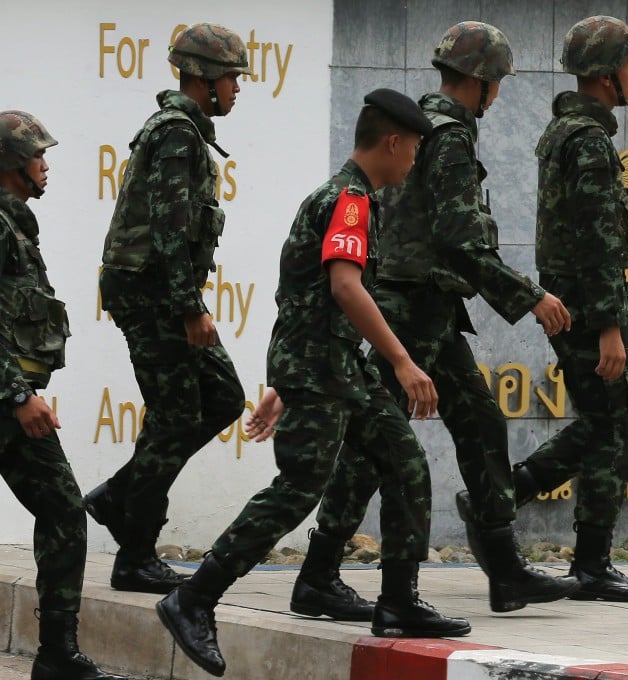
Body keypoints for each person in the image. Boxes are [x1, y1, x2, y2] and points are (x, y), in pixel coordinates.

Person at [155, 88, 469, 678]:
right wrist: (402, 360)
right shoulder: (349, 200)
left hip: (329, 366)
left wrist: (281, 380)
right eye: (414, 150)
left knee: (404, 462)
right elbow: (344, 288)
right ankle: (193, 599)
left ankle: (398, 602)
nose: (414, 163)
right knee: (299, 488)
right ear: (394, 142)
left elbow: (298, 294)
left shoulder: (342, 197)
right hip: (324, 368)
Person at [289, 21, 579, 617]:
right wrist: (530, 298)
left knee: (479, 422)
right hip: (414, 306)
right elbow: (458, 240)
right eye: (496, 80)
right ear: (482, 82)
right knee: (383, 446)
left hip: (431, 308)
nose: (497, 91)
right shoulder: (447, 136)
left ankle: (503, 569)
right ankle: (325, 574)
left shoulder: (431, 126)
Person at [475, 15, 628, 603]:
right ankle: (587, 562)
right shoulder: (585, 141)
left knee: (604, 424)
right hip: (588, 301)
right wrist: (607, 322)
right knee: (614, 427)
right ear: (608, 76)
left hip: (577, 294)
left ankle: (513, 501)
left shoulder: (570, 131)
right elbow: (595, 236)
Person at [85, 23, 250, 595]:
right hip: (155, 294)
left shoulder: (183, 131)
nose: (237, 88)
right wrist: (189, 307)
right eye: (232, 77)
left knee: (224, 398)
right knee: (176, 415)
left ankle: (121, 494)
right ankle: (134, 554)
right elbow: (168, 229)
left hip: (158, 292)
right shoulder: (177, 132)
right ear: (204, 78)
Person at [0, 110, 128, 680]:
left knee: (61, 511)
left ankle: (57, 654)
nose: (45, 165)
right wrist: (17, 394)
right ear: (10, 163)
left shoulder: (14, 223)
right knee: (63, 511)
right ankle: (56, 655)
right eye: (37, 155)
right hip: (8, 402)